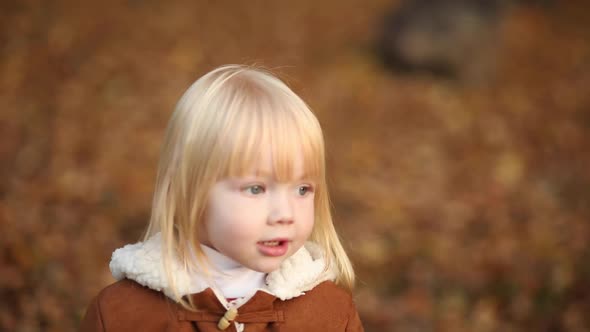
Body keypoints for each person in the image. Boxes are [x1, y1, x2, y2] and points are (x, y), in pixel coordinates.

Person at [80, 65, 364, 332]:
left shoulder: (331, 316)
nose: (285, 214)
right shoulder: (121, 315)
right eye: (256, 189)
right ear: (188, 189)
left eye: (302, 189)